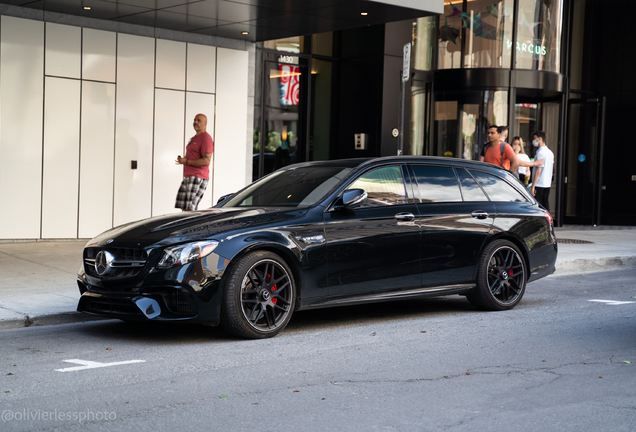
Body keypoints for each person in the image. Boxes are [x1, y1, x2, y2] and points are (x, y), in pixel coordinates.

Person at [174, 114, 214, 211]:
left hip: (198, 176)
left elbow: (206, 161)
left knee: (191, 209)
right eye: (194, 120)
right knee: (184, 207)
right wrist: (183, 161)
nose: (195, 122)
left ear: (205, 123)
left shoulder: (206, 138)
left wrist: (186, 161)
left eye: (199, 120)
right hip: (189, 176)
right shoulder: (194, 138)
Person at [530, 131, 554, 212]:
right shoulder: (550, 153)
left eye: (534, 138)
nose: (533, 141)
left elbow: (538, 171)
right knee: (545, 205)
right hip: (547, 183)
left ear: (539, 138)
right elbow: (553, 168)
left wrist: (533, 186)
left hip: (539, 184)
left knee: (538, 207)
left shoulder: (540, 152)